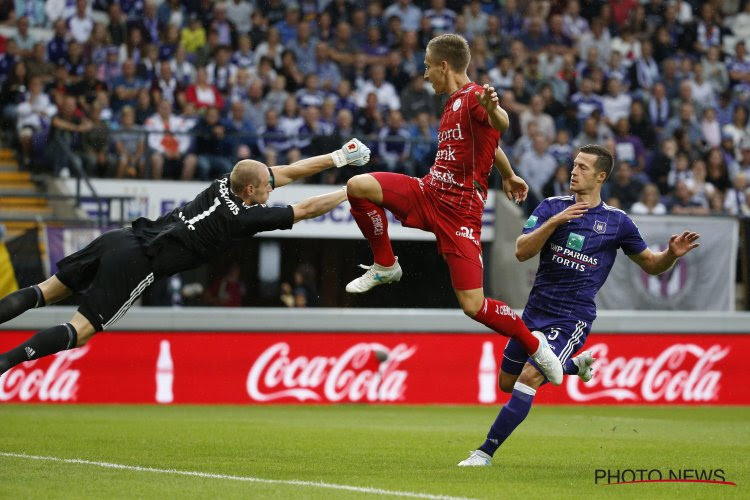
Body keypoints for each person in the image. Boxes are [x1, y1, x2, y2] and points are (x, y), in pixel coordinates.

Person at [0, 139, 371, 375]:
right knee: (80, 332)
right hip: (138, 262)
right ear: (249, 189)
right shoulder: (244, 218)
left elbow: (287, 172)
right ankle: (6, 362)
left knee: (44, 291)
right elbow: (305, 209)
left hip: (121, 237)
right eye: (264, 189)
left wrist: (340, 156)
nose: (269, 192)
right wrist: (348, 188)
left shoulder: (224, 182)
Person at [458, 145, 700, 466]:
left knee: (529, 377)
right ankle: (576, 366)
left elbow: (651, 265)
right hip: (534, 313)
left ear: (601, 176)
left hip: (570, 318)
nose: (574, 171)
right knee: (506, 383)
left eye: (583, 167)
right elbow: (520, 252)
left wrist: (670, 254)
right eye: (574, 165)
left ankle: (483, 453)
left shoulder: (617, 223)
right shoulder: (550, 207)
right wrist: (555, 222)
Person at [344, 34, 564, 385]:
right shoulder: (450, 103)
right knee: (358, 187)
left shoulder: (476, 98)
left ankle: (534, 345)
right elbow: (489, 144)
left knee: (472, 305)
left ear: (444, 66)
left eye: (428, 67)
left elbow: (500, 123)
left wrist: (494, 108)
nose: (425, 74)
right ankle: (386, 264)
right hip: (429, 192)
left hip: (461, 214)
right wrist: (508, 174)